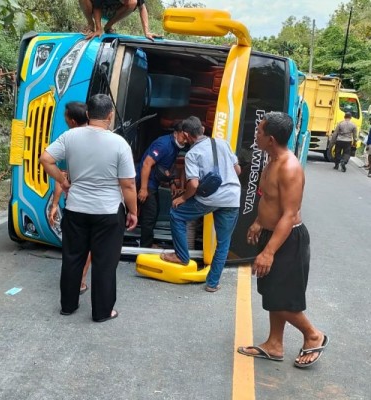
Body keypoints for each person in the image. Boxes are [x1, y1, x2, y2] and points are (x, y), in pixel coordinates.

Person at [237, 112, 328, 369]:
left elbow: (289, 214)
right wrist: (258, 222)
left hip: (287, 238)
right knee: (271, 293)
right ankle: (274, 344)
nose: (256, 134)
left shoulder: (289, 167)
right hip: (271, 232)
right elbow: (269, 200)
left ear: (271, 138)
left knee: (282, 297)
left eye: (259, 131)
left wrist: (268, 252)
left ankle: (313, 334)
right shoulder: (271, 159)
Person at [40, 94, 138, 322]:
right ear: (110, 115)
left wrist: (63, 182)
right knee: (105, 262)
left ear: (87, 114)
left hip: (76, 209)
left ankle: (68, 305)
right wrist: (133, 211)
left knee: (73, 257)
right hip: (108, 212)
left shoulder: (70, 137)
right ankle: (103, 312)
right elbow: (128, 184)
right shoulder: (119, 143)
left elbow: (45, 159)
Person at [160, 116, 241, 292]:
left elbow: (194, 185)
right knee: (223, 242)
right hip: (232, 197)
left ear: (187, 135)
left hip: (210, 199)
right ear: (202, 130)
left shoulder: (192, 154)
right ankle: (212, 284)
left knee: (177, 214)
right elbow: (238, 170)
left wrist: (182, 198)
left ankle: (182, 256)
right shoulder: (223, 143)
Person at [49, 101, 92, 294]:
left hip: (75, 205)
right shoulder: (106, 139)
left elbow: (59, 174)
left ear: (72, 121)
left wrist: (55, 203)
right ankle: (81, 280)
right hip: (98, 206)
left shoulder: (68, 139)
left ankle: (73, 283)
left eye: (65, 117)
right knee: (89, 245)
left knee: (73, 247)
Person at [136, 121, 188, 248]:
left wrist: (172, 183)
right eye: (183, 137)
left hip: (153, 183)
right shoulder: (163, 144)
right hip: (146, 182)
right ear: (176, 133)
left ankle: (147, 242)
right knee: (150, 214)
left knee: (153, 212)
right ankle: (146, 246)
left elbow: (166, 168)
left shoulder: (175, 147)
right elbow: (147, 164)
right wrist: (143, 188)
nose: (185, 141)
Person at [80, 0, 162, 41]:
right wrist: (98, 29)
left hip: (115, 12)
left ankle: (108, 26)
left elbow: (142, 8)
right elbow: (96, 6)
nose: (126, 2)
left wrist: (147, 32)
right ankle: (90, 25)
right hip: (99, 8)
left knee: (133, 2)